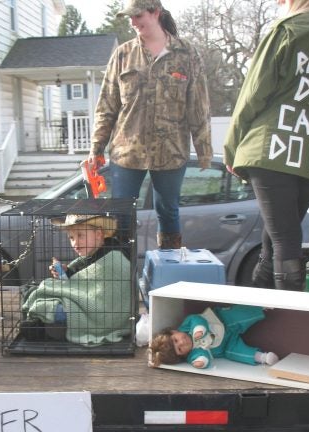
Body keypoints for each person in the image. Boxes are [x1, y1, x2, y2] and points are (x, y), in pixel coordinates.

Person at [223, 0, 309, 290]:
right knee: (272, 242)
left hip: (271, 149)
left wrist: (231, 145)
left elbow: (253, 93)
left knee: (283, 241)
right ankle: (257, 313)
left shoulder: (287, 30)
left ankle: (291, 322)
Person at [88, 0, 213, 249]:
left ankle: (169, 269)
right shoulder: (123, 54)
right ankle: (121, 276)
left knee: (168, 212)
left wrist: (204, 151)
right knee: (120, 217)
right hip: (127, 153)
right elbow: (107, 106)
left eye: (137, 16)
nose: (133, 23)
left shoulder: (186, 53)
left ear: (156, 13)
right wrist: (96, 147)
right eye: (130, 18)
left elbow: (198, 105)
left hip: (171, 152)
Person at [21, 214, 132, 345]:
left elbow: (101, 292)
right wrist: (66, 272)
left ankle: (41, 324)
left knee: (51, 306)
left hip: (105, 316)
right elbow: (84, 279)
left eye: (80, 236)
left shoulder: (114, 257)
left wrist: (67, 282)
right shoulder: (94, 252)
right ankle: (41, 324)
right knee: (37, 293)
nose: (75, 243)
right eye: (71, 238)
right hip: (88, 305)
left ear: (98, 234)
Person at [148, 306, 279, 369]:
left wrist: (199, 329)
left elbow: (196, 318)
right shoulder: (192, 353)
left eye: (176, 340)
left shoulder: (186, 326)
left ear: (173, 331)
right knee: (235, 353)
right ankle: (262, 357)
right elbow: (202, 355)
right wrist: (201, 362)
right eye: (180, 349)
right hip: (226, 346)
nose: (182, 342)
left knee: (240, 316)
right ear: (182, 356)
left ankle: (260, 308)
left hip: (224, 322)